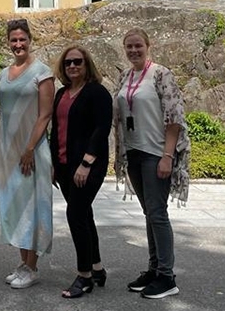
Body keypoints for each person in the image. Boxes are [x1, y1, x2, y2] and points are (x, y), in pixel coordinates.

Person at [113, 28, 190, 300]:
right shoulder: (126, 76)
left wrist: (167, 156)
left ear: (148, 46)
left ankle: (167, 277)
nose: (133, 50)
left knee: (157, 213)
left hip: (155, 152)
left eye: (138, 45)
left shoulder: (160, 74)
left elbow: (175, 116)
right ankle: (155, 269)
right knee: (149, 213)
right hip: (133, 152)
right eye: (129, 46)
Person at [0, 18, 55, 289]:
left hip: (31, 150)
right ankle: (23, 263)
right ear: (8, 42)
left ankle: (32, 267)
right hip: (7, 151)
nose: (18, 44)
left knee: (31, 208)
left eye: (22, 39)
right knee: (13, 207)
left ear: (30, 40)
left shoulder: (42, 72)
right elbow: (1, 115)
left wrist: (29, 149)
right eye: (13, 39)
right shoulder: (3, 73)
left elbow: (45, 115)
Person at [49, 45, 113, 299]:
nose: (72, 66)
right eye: (68, 63)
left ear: (87, 65)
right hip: (65, 165)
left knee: (75, 214)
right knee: (84, 214)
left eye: (78, 62)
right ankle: (97, 268)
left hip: (87, 166)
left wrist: (86, 164)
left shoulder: (97, 93)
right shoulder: (62, 93)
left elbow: (101, 130)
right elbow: (56, 129)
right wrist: (54, 163)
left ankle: (84, 276)